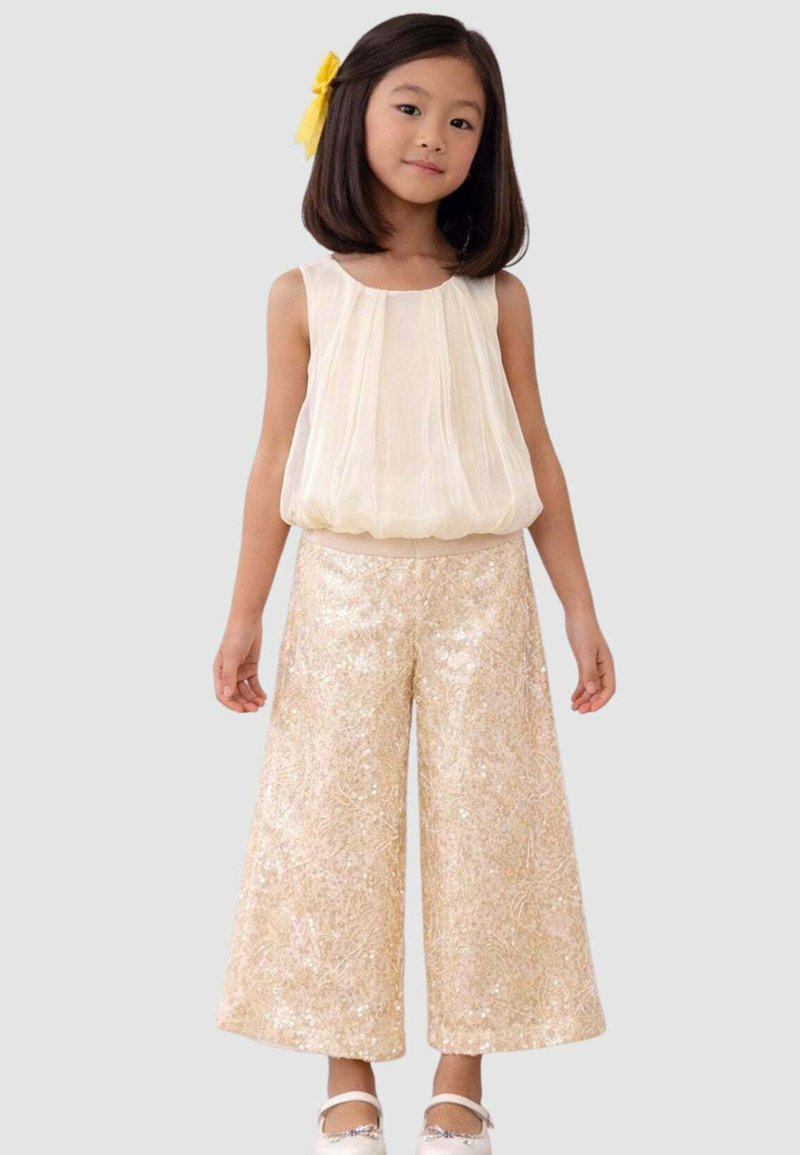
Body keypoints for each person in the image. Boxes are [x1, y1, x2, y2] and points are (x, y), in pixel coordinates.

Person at [213, 15, 615, 1155]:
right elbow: (272, 460)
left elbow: (537, 455)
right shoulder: (303, 294)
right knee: (332, 827)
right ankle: (344, 1071)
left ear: (487, 146)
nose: (434, 135)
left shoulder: (495, 298)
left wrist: (579, 606)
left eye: (463, 120)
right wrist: (244, 612)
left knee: (490, 823)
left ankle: (462, 1071)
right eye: (410, 107)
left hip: (483, 588)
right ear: (350, 115)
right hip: (343, 587)